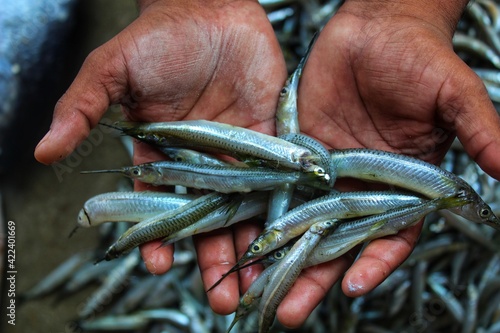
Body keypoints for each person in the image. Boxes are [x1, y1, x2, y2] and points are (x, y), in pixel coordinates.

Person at [34, 0, 500, 328]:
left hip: (329, 187)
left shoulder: (330, 178)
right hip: (305, 184)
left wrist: (401, 13)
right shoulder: (307, 173)